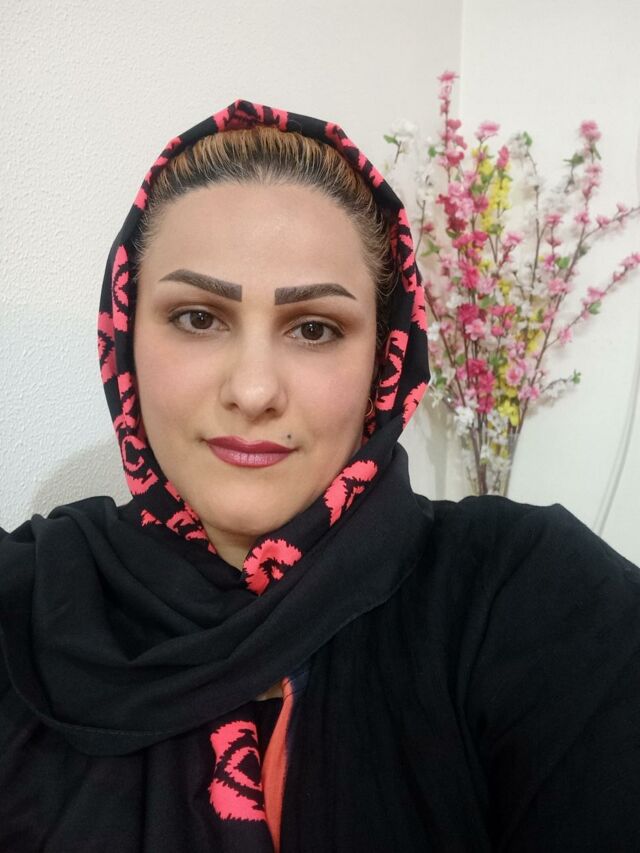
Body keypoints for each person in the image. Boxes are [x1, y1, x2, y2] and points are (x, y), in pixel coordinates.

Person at [1, 99, 639, 853]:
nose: (253, 391)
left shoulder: (525, 596)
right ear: (124, 336)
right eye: (198, 318)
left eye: (314, 328)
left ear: (384, 361)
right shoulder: (31, 605)